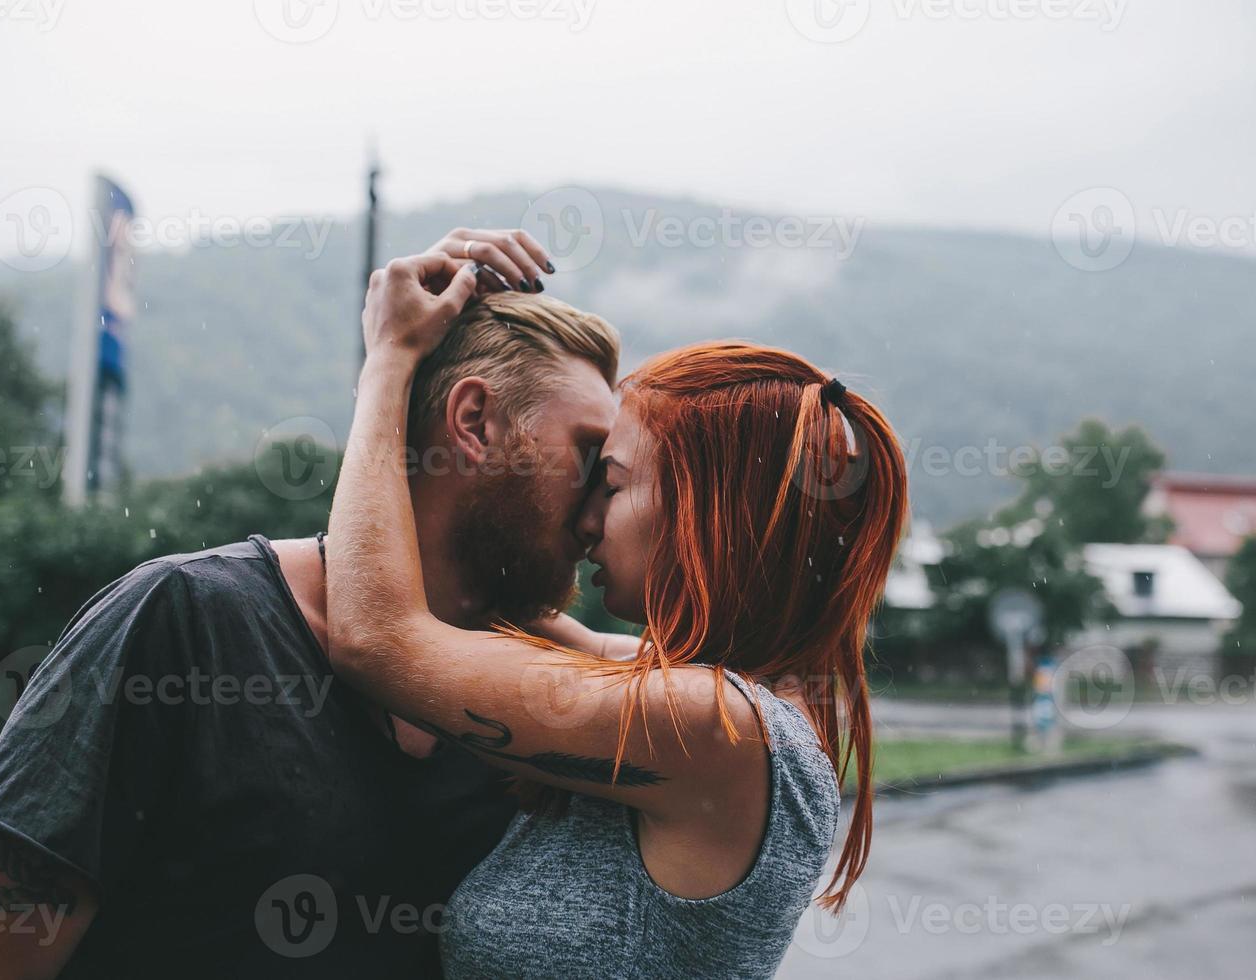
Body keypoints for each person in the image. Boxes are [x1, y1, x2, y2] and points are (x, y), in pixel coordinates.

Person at [0, 228, 627, 979]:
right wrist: (391, 359)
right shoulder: (182, 623)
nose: (594, 514)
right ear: (474, 424)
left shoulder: (530, 696)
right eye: (584, 457)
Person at [324, 250, 909, 978]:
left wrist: (390, 359)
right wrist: (462, 328)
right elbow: (494, 607)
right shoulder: (716, 698)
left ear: (704, 515)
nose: (588, 518)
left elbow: (381, 638)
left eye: (616, 483)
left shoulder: (711, 726)